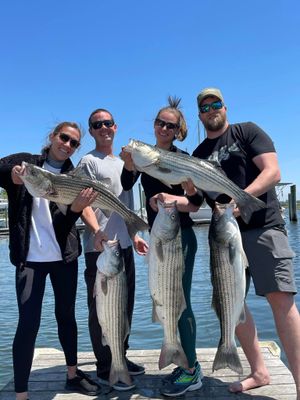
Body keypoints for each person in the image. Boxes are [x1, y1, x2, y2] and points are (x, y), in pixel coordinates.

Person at [192, 87, 300, 399]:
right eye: (205, 107)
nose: (212, 110)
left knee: (281, 301)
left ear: (225, 107)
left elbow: (273, 171)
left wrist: (241, 198)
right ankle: (259, 371)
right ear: (200, 115)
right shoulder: (199, 154)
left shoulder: (247, 132)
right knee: (231, 305)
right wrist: (170, 199)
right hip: (222, 235)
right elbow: (195, 199)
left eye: (216, 104)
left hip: (262, 227)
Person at [0, 122, 102, 400]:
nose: (67, 145)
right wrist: (13, 176)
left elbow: (66, 223)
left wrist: (78, 209)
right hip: (30, 260)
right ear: (52, 137)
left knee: (66, 317)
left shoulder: (74, 176)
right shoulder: (27, 163)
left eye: (74, 143)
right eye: (64, 138)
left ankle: (72, 374)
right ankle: (21, 393)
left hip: (63, 258)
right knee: (28, 323)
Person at [120, 97, 204, 397]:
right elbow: (127, 183)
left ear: (178, 129)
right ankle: (181, 360)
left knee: (180, 303)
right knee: (162, 299)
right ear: (154, 126)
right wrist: (129, 164)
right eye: (160, 123)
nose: (164, 128)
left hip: (181, 237)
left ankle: (192, 369)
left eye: (170, 125)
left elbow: (196, 204)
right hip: (158, 237)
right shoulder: (146, 158)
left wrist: (177, 198)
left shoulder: (183, 158)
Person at [77, 108, 148, 392]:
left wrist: (135, 235)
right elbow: (81, 203)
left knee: (124, 307)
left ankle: (121, 357)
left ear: (116, 127)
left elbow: (127, 208)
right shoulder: (88, 161)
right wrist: (96, 231)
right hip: (100, 249)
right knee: (100, 310)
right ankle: (106, 367)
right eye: (97, 125)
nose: (104, 128)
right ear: (92, 131)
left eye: (108, 123)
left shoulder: (124, 163)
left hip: (125, 246)